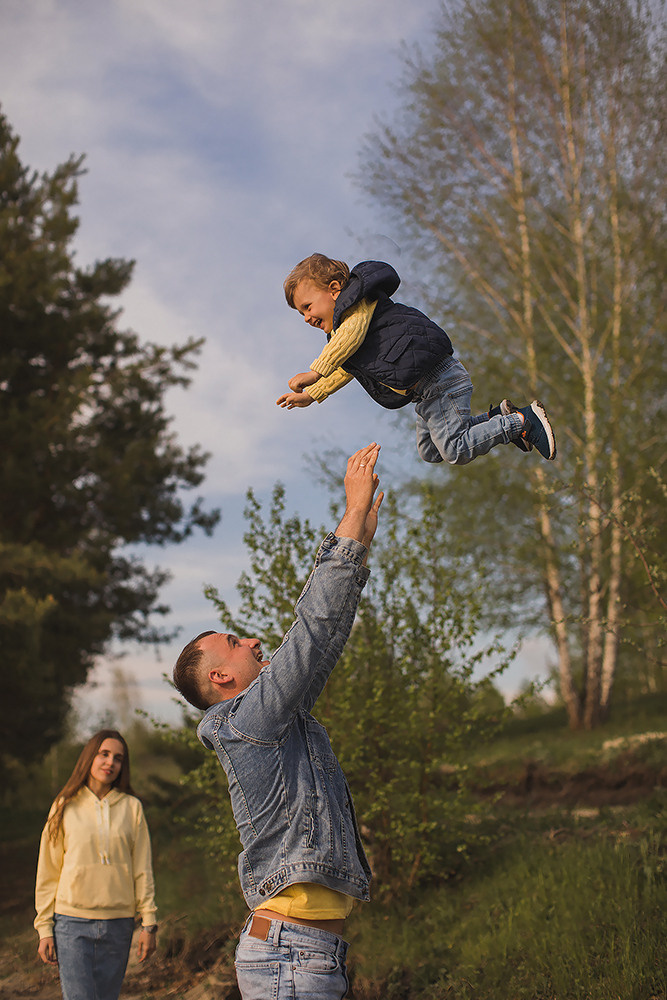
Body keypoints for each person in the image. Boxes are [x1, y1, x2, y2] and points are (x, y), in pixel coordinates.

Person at [173, 443, 384, 1000]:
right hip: (290, 956)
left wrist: (357, 538)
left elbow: (324, 643)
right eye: (237, 643)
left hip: (303, 954)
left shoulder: (275, 722)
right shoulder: (247, 723)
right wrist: (347, 522)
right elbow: (307, 637)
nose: (255, 640)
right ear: (221, 680)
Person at [276, 253, 557, 463]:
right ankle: (497, 417)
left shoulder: (358, 305)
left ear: (335, 290)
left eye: (307, 306)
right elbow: (345, 368)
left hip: (440, 381)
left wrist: (314, 372)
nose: (306, 318)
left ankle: (521, 422)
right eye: (301, 313)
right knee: (432, 451)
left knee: (455, 450)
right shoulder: (345, 334)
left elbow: (347, 338)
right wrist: (313, 394)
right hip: (425, 392)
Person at [34, 729, 158, 1000]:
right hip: (72, 924)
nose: (110, 763)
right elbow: (48, 872)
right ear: (90, 757)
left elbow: (142, 870)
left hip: (119, 924)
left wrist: (149, 923)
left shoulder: (132, 808)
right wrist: (44, 928)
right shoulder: (64, 806)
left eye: (118, 758)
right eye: (103, 754)